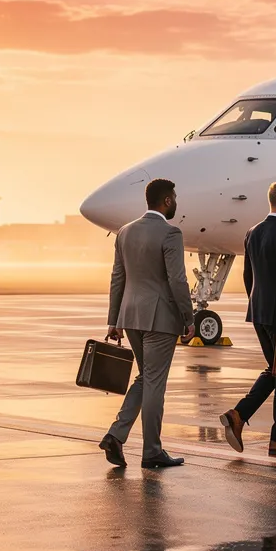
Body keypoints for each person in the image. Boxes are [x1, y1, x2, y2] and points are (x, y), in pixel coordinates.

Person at [99, 178, 194, 469]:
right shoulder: (170, 233)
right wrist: (189, 318)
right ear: (166, 201)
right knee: (155, 383)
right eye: (174, 198)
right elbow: (177, 280)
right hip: (160, 319)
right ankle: (152, 451)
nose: (176, 203)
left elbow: (118, 277)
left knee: (145, 378)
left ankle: (116, 434)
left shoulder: (124, 232)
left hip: (130, 317)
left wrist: (113, 320)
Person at [219, 182, 276, 457]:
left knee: (275, 370)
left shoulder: (253, 232)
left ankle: (239, 415)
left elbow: (248, 276)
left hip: (259, 313)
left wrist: (257, 304)